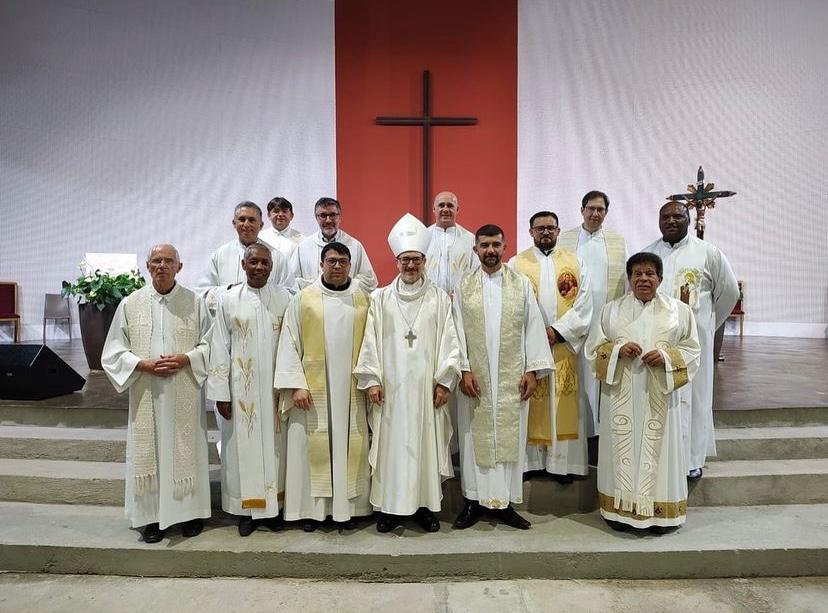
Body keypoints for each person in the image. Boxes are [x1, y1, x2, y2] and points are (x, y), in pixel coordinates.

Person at [354, 213, 461, 533]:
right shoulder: (380, 298)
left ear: (424, 260)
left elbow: (450, 341)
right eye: (405, 260)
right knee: (391, 448)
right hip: (391, 392)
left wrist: (445, 381)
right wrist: (371, 379)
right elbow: (369, 340)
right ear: (396, 261)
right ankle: (389, 509)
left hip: (427, 392)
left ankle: (424, 507)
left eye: (415, 259)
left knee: (425, 447)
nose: (410, 265)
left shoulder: (440, 298)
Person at [102, 244, 211, 543]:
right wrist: (142, 364)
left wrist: (186, 358)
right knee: (149, 452)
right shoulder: (131, 303)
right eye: (156, 261)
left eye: (168, 261)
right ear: (147, 267)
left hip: (183, 387)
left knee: (186, 449)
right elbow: (112, 352)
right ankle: (151, 519)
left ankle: (189, 514)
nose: (162, 266)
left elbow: (211, 345)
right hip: (146, 390)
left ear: (180, 266)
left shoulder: (195, 302)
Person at [586, 252, 700, 533]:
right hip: (620, 397)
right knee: (620, 451)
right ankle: (619, 512)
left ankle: (661, 515)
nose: (643, 279)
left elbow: (692, 350)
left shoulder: (679, 311)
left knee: (659, 454)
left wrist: (667, 357)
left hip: (658, 395)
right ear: (629, 279)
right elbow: (593, 350)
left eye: (650, 273)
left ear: (660, 279)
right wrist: (615, 351)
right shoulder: (610, 310)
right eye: (637, 274)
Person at [452, 225, 552, 530]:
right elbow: (455, 331)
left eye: (496, 244)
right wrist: (464, 369)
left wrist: (532, 370)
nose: (491, 250)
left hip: (512, 380)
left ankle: (505, 503)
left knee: (510, 439)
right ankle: (473, 501)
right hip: (476, 381)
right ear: (475, 249)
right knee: (473, 441)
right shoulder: (463, 285)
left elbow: (533, 327)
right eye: (484, 245)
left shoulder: (520, 284)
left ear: (505, 246)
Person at [275, 242, 372, 531]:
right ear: (321, 264)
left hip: (352, 390)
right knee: (311, 447)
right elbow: (289, 342)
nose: (338, 266)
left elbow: (373, 342)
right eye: (332, 261)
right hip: (312, 392)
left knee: (349, 444)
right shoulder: (303, 299)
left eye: (343, 261)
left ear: (350, 265)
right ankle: (312, 511)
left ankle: (349, 509)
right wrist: (297, 386)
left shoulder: (363, 299)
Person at [643, 202, 738, 479]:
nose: (671, 220)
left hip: (694, 342)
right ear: (659, 220)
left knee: (695, 397)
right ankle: (661, 455)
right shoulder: (649, 253)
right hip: (658, 341)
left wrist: (707, 324)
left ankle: (692, 459)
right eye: (665, 216)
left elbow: (729, 294)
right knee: (660, 397)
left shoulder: (708, 253)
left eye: (677, 216)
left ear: (688, 219)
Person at [206, 243, 292, 536]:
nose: (258, 267)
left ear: (272, 266)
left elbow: (293, 345)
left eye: (264, 263)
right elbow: (219, 346)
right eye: (253, 262)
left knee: (276, 449)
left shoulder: (285, 298)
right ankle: (247, 511)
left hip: (274, 390)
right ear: (243, 265)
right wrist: (220, 393)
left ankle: (274, 508)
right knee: (240, 451)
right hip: (240, 393)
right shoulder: (228, 300)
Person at [510, 211, 593, 482]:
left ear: (558, 231)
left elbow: (584, 304)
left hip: (562, 348)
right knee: (530, 401)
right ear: (531, 231)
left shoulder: (575, 262)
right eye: (539, 228)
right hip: (529, 349)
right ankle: (531, 463)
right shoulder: (516, 263)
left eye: (550, 228)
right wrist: (533, 336)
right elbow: (511, 305)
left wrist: (557, 332)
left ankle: (562, 465)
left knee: (563, 401)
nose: (545, 233)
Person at [557, 191, 627, 437]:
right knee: (576, 377)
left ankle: (600, 432)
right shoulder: (565, 240)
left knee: (601, 377)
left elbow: (625, 284)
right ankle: (578, 432)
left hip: (604, 320)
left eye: (601, 210)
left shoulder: (617, 242)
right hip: (573, 320)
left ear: (606, 213)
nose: (595, 214)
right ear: (582, 210)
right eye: (591, 209)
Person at [196, 201, 294, 316]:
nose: (246, 224)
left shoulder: (276, 257)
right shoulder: (219, 255)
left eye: (252, 220)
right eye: (242, 219)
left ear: (261, 225)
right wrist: (230, 290)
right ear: (234, 223)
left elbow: (292, 295)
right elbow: (202, 294)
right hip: (230, 324)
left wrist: (266, 293)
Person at [290, 197, 377, 292]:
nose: (328, 220)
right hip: (313, 304)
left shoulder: (354, 246)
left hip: (345, 302)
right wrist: (317, 286)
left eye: (332, 215)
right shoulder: (304, 247)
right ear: (316, 218)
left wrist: (343, 284)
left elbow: (370, 281)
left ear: (339, 217)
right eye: (323, 215)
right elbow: (291, 282)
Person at [425, 191, 479, 297]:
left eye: (450, 206)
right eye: (441, 205)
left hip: (460, 301)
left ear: (457, 209)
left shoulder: (470, 239)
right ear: (434, 209)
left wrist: (461, 294)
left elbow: (476, 271)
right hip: (429, 300)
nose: (445, 209)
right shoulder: (423, 236)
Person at [258, 196, 304, 261]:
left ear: (291, 216)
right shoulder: (260, 238)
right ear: (269, 215)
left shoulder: (302, 240)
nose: (280, 214)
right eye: (276, 211)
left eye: (284, 211)